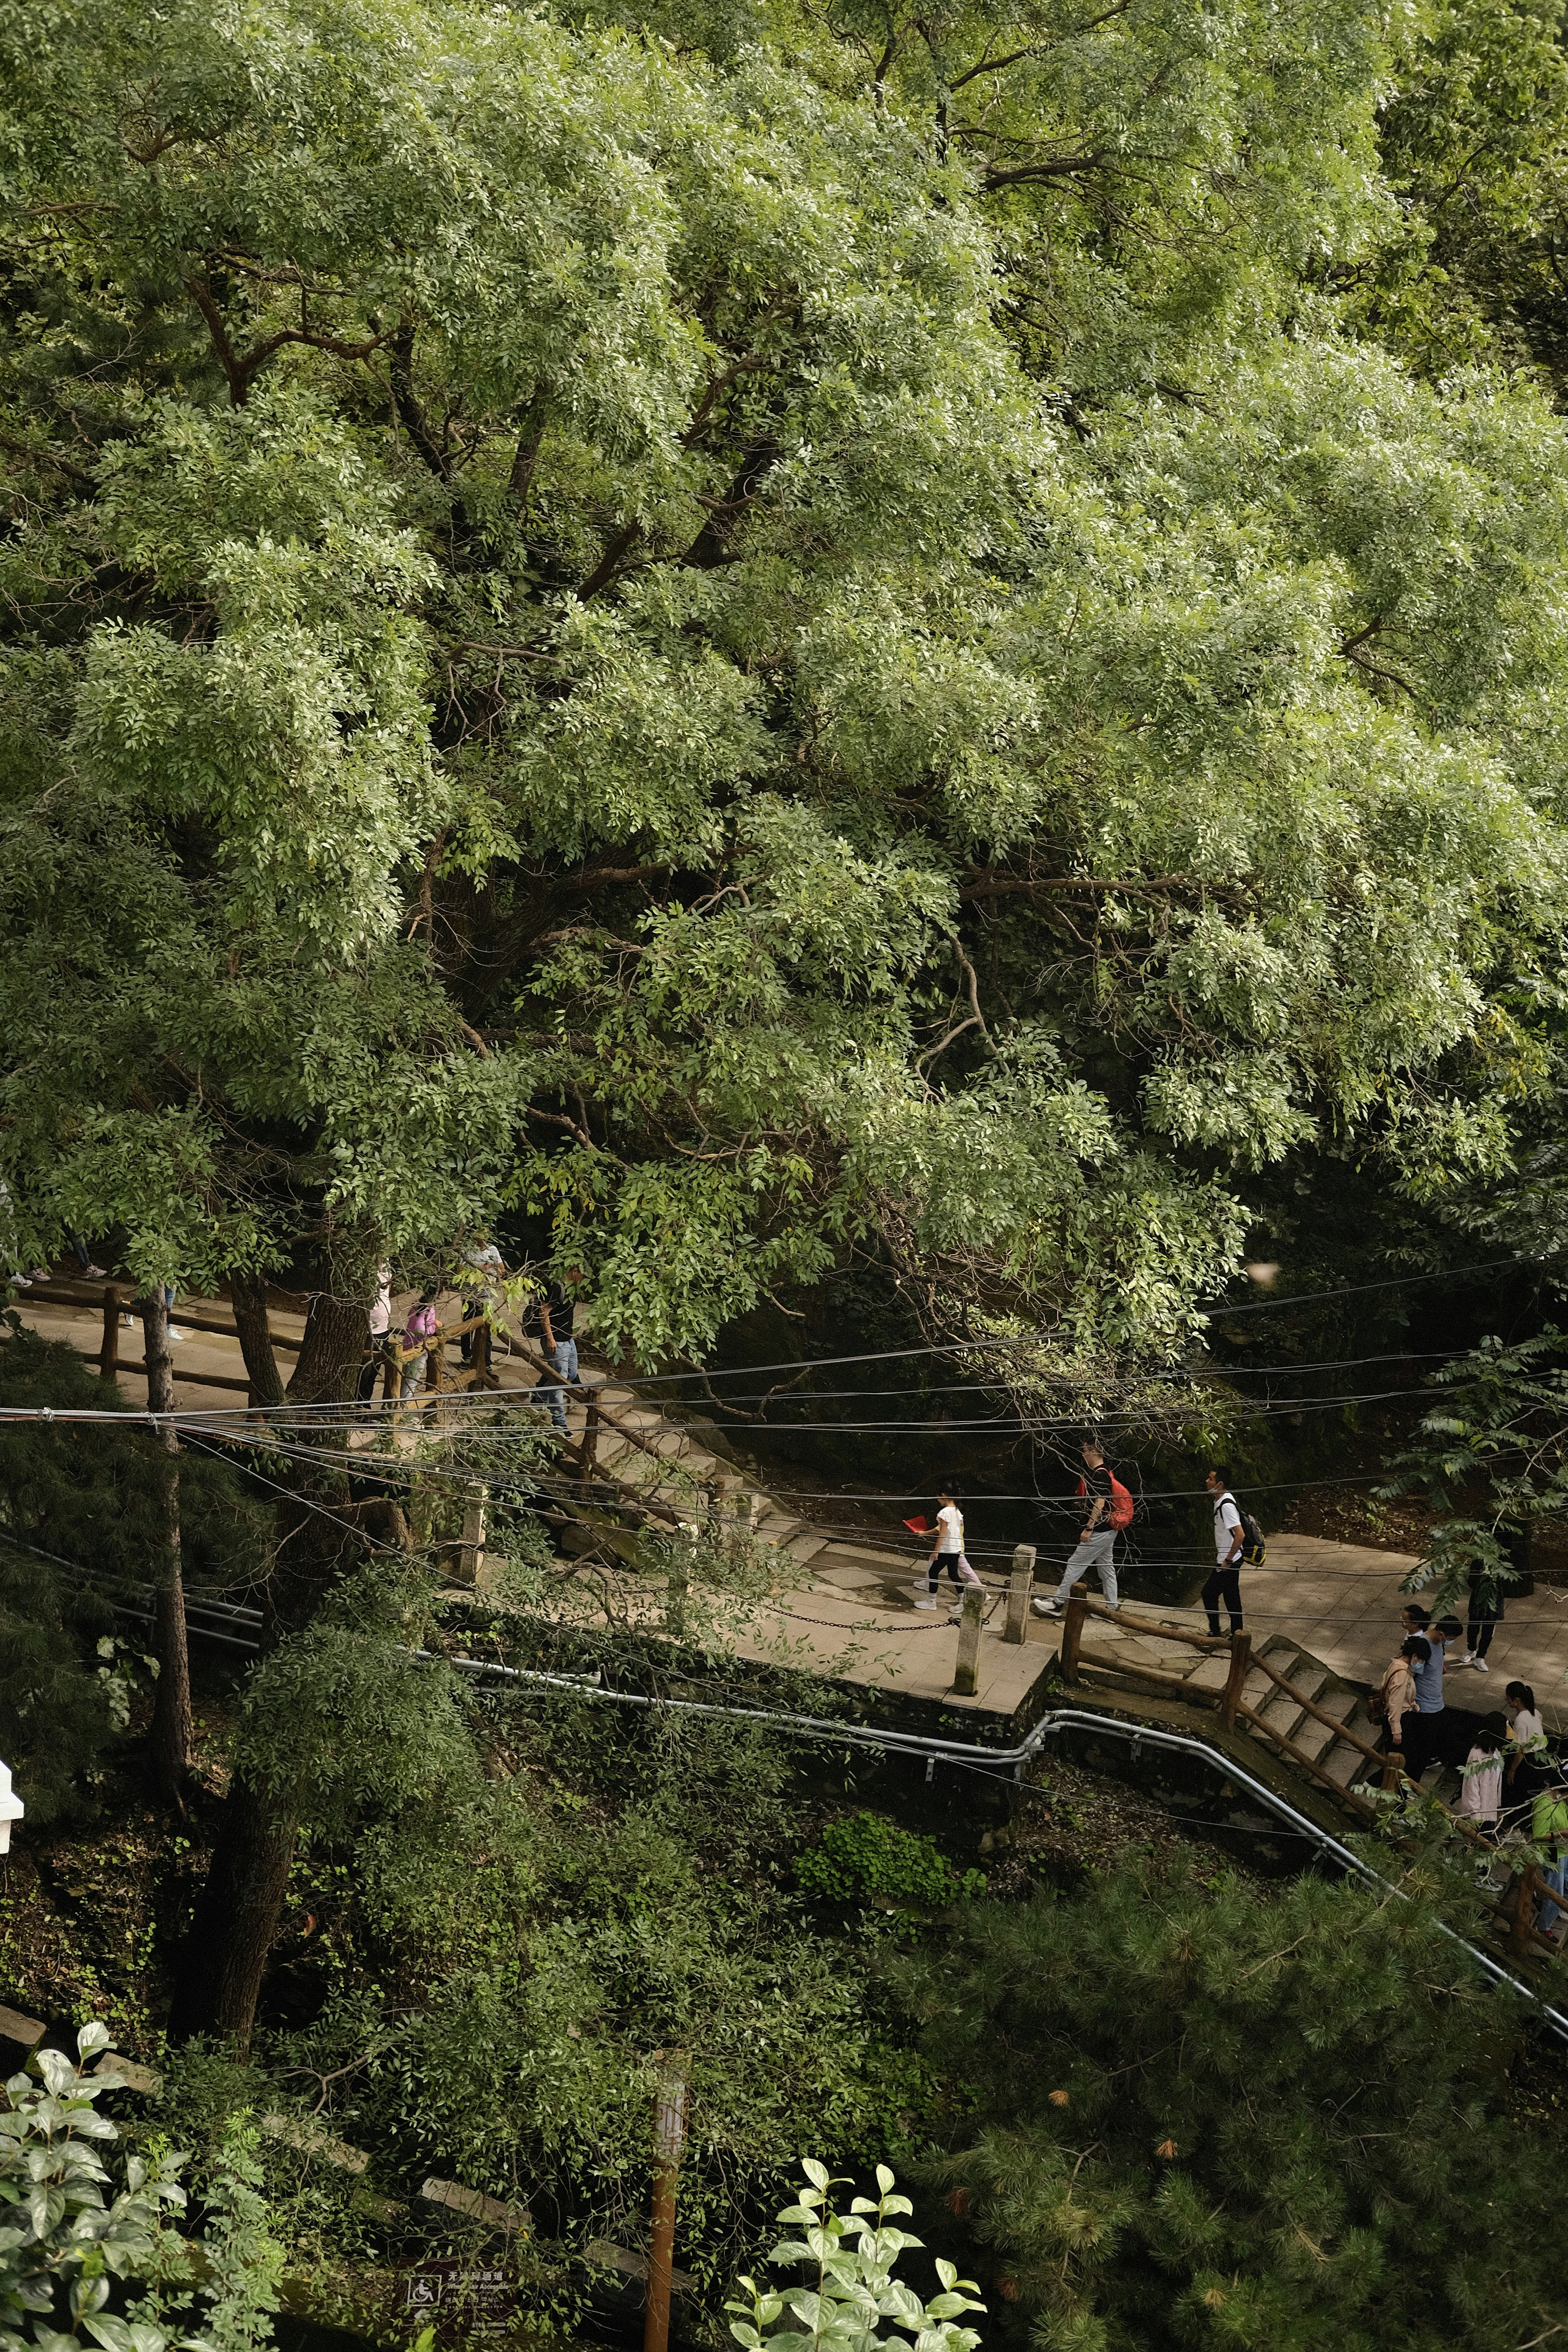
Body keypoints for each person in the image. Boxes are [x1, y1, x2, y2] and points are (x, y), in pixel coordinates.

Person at [1035, 1439, 1130, 1619]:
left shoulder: (1100, 1475)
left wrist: (1089, 1528)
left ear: (1094, 1451)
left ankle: (1057, 1604)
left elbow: (1100, 1502)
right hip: (1109, 1530)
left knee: (1075, 1564)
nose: (1083, 1454)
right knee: (1106, 1569)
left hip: (1100, 1531)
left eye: (1085, 1450)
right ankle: (1111, 1609)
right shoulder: (1105, 1472)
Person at [527, 1268, 581, 1433]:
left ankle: (539, 1396)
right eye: (583, 1275)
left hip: (568, 1339)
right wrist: (550, 1338)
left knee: (571, 1374)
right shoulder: (556, 1287)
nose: (584, 1279)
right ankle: (559, 1422)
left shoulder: (571, 1288)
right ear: (575, 1271)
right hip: (556, 1341)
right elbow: (543, 1313)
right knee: (559, 1381)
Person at [915, 1488, 983, 1611]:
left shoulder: (945, 1513)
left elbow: (942, 1533)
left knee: (933, 1572)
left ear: (944, 1496)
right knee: (953, 1575)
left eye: (938, 1498)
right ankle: (963, 1601)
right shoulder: (957, 1511)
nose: (938, 1501)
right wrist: (925, 1533)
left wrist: (936, 1551)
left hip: (946, 1549)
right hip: (956, 1549)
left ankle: (931, 1602)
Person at [1200, 1468, 1246, 1637]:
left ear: (1220, 1484)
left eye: (1211, 1479)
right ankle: (1237, 1634)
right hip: (1232, 1557)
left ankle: (1216, 1632)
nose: (1207, 1481)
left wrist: (1228, 1560)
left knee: (1209, 1593)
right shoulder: (1221, 1500)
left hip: (1230, 1559)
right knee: (1231, 1596)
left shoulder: (1226, 1506)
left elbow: (1240, 1535)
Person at [458, 1234, 505, 1377]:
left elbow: (502, 1270)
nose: (482, 1238)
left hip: (487, 1296)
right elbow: (460, 1271)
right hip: (470, 1295)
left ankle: (486, 1362)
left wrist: (495, 1270)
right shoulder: (467, 1249)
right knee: (467, 1327)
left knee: (487, 1329)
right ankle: (467, 1357)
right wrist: (480, 1268)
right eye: (479, 1234)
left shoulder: (493, 1250)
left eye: (485, 1234)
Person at [1504, 1681, 1549, 1830]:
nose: (1507, 1702)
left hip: (1529, 1760)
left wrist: (1512, 1770)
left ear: (1516, 1701)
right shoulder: (1534, 1712)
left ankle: (1516, 1826)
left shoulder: (1521, 1721)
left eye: (1508, 1700)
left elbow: (1521, 1750)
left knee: (1518, 1793)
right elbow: (1540, 1718)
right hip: (1541, 1755)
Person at [1376, 1637, 1423, 1766]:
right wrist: (1397, 1730)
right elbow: (1395, 1703)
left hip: (1397, 1717)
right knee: (1402, 1761)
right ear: (1414, 1656)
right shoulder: (1401, 1674)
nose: (1420, 1664)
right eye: (1421, 1660)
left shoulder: (1396, 1665)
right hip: (1400, 1718)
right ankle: (1370, 1784)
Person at [1531, 1773, 1568, 1937]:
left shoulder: (1560, 1802)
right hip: (1553, 1855)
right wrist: (1563, 1833)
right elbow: (1538, 1834)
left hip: (1563, 1851)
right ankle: (1544, 1927)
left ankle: (1559, 1909)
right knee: (1555, 1894)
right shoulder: (1545, 1804)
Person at [1456, 1724, 1504, 1840]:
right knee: (1485, 1845)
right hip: (1479, 1812)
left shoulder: (1496, 1752)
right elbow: (1472, 1786)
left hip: (1490, 1809)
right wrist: (1476, 1815)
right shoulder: (1476, 1754)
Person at [1455, 1563, 1503, 1675]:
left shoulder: (1501, 1561)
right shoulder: (1479, 1559)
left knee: (1488, 1631)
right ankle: (1471, 1650)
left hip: (1494, 1600)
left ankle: (1481, 1657)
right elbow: (1471, 1581)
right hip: (1478, 1598)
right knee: (1473, 1627)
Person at [357, 1260, 393, 1403]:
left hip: (383, 1329)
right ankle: (360, 1404)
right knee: (364, 1371)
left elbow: (388, 1289)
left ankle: (366, 1402)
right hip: (368, 1330)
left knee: (374, 1370)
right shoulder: (366, 1267)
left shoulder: (387, 1265)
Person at [400, 1287, 440, 1399]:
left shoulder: (418, 1304)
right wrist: (434, 1327)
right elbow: (420, 1329)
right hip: (419, 1349)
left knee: (404, 1380)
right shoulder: (429, 1309)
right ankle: (405, 1414)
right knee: (411, 1382)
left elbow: (411, 1317)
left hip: (407, 1344)